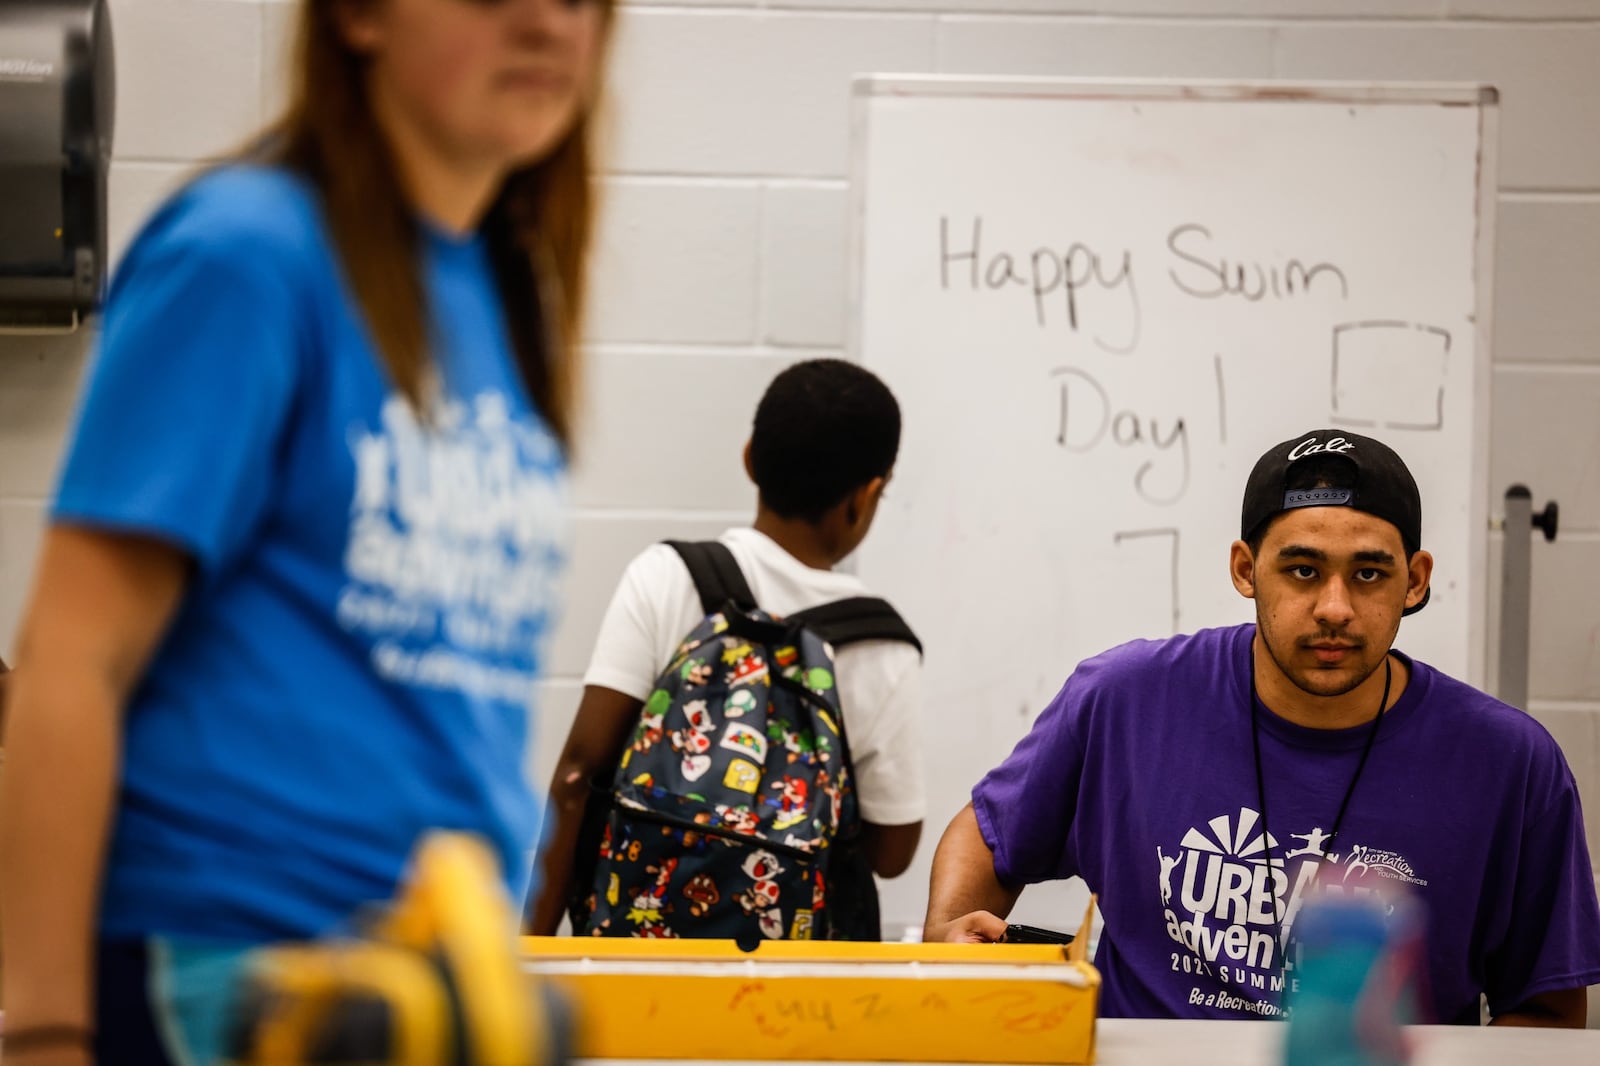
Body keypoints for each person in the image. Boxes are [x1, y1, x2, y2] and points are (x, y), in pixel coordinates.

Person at [0, 1, 614, 1062]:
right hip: (225, 963)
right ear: (360, 15)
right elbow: (70, 656)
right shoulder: (248, 255)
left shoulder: (497, 292)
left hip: (432, 972)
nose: (546, 22)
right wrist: (46, 1028)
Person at [924, 429, 1600, 1027]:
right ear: (1246, 570)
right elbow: (988, 834)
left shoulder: (1509, 763)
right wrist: (946, 944)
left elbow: (1547, 1005)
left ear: (1416, 582)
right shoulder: (1125, 701)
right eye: (1302, 571)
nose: (1335, 607)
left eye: (1369, 574)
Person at [528, 358, 925, 937]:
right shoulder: (883, 645)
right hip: (801, 991)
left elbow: (575, 780)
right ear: (865, 496)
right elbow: (892, 854)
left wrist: (529, 955)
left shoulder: (667, 575)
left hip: (640, 964)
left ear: (749, 459)